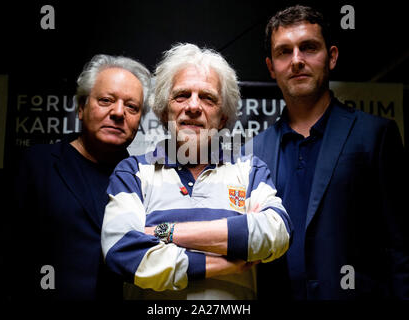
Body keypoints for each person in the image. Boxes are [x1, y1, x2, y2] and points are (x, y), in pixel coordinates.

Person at [249, 5, 409, 299]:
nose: (297, 60)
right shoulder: (253, 152)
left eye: (309, 48)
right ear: (270, 66)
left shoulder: (375, 136)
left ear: (332, 57)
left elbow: (402, 250)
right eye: (284, 52)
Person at [101, 43, 292, 300]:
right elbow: (121, 252)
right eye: (181, 95)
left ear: (223, 117)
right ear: (163, 111)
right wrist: (225, 263)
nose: (193, 106)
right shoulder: (132, 172)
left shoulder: (250, 170)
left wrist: (164, 232)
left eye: (207, 97)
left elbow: (276, 233)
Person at [9, 54, 151, 300]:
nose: (119, 112)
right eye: (106, 100)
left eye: (132, 107)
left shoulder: (145, 178)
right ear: (82, 108)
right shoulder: (36, 164)